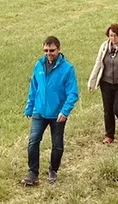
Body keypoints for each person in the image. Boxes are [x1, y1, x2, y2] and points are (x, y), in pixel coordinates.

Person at [23, 36, 80, 186]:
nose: (49, 53)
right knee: (33, 141)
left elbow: (73, 93)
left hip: (58, 114)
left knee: (57, 144)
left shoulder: (67, 69)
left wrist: (65, 111)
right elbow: (34, 87)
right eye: (46, 50)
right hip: (39, 111)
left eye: (52, 50)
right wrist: (29, 107)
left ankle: (53, 170)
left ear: (59, 50)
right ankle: (32, 173)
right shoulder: (39, 65)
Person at [86, 23, 118, 144]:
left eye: (115, 36)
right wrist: (91, 82)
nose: (113, 38)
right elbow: (98, 64)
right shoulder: (104, 46)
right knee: (108, 110)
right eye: (110, 35)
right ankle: (109, 135)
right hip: (106, 82)